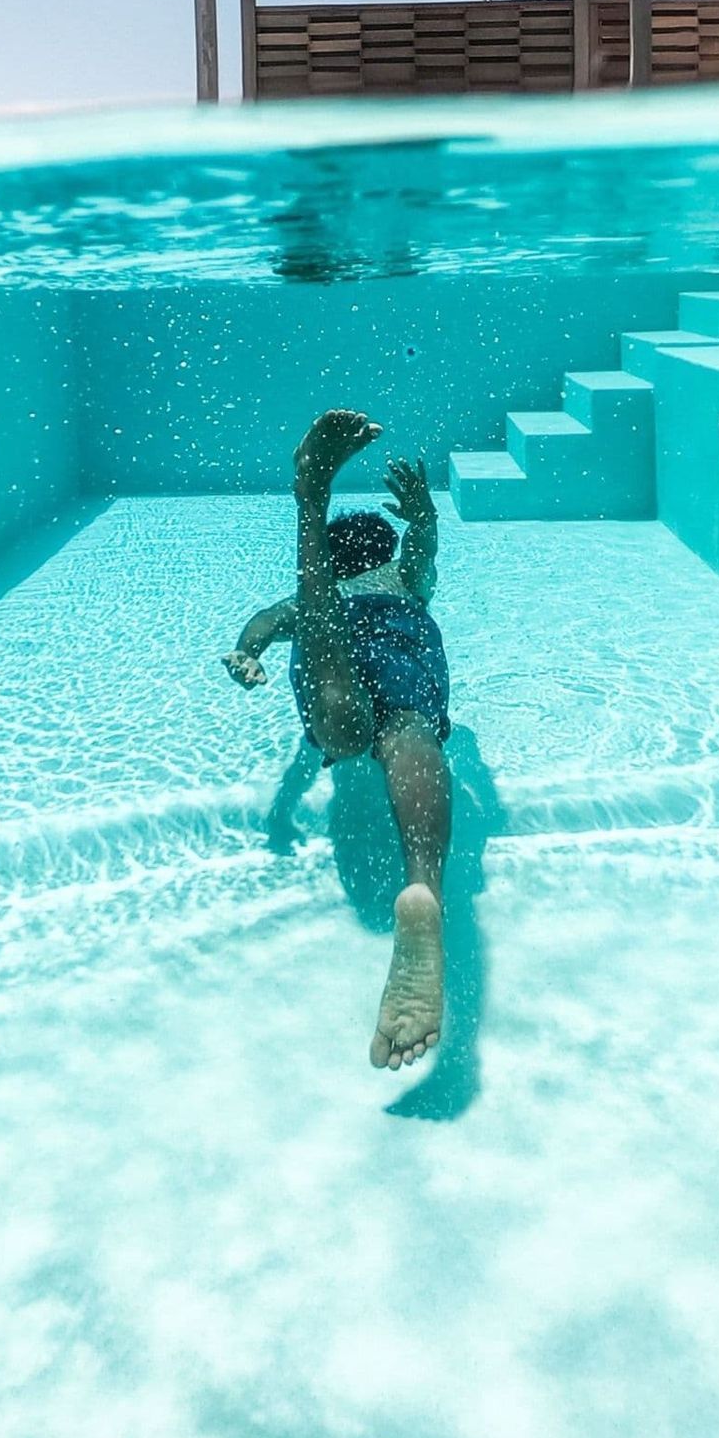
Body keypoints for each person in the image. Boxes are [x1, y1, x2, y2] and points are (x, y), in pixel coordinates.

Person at [224, 410, 451, 1072]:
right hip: (405, 636)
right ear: (382, 550)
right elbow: (426, 552)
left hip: (335, 638)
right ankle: (424, 889)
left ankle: (310, 499)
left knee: (332, 679)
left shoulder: (319, 599)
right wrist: (423, 514)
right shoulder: (403, 582)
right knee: (408, 729)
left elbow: (266, 621)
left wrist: (247, 653)